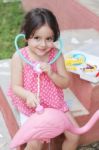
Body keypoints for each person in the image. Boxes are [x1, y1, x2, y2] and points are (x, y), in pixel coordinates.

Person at [9, 8, 80, 150]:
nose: (43, 45)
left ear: (54, 38)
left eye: (48, 39)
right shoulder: (19, 57)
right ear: (26, 37)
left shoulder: (56, 55)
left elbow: (66, 83)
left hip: (54, 103)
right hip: (32, 105)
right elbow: (16, 87)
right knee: (35, 143)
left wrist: (52, 74)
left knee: (74, 135)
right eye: (37, 38)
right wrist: (28, 95)